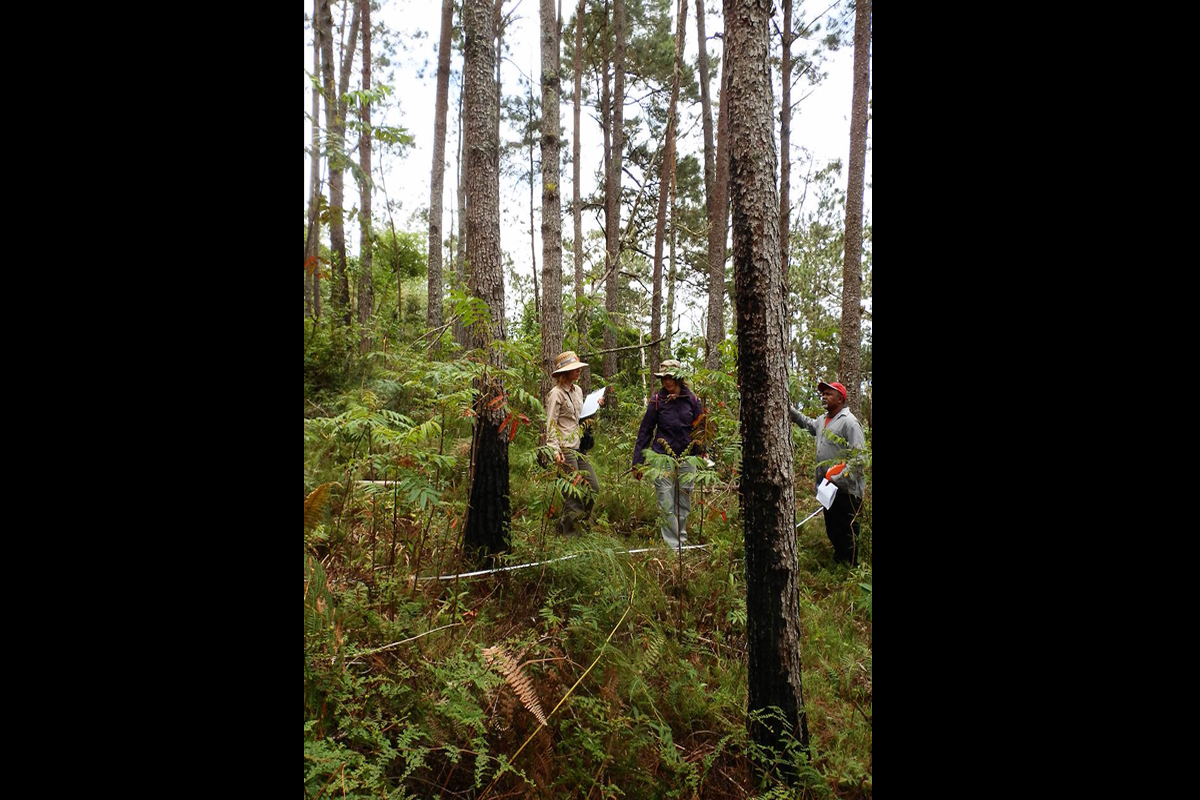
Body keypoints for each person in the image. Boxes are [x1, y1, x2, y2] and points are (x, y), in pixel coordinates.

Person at [789, 380, 866, 566]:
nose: (824, 396)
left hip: (847, 490)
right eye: (823, 393)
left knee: (848, 529)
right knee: (832, 527)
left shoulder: (850, 422)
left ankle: (852, 568)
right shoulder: (823, 420)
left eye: (829, 393)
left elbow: (859, 458)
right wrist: (789, 409)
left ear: (840, 398)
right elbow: (807, 424)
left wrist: (838, 478)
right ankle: (840, 560)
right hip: (827, 488)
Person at [632, 360, 707, 550]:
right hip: (661, 458)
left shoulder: (693, 400)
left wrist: (703, 452)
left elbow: (700, 430)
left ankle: (681, 542)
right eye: (664, 378)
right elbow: (645, 431)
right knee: (666, 502)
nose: (667, 382)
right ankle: (674, 548)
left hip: (687, 458)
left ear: (679, 378)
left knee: (683, 502)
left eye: (671, 377)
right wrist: (638, 462)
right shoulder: (657, 400)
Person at [544, 350, 603, 535]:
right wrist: (554, 449)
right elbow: (551, 423)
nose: (578, 371)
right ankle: (569, 535)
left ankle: (580, 524)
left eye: (579, 368)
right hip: (564, 449)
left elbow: (578, 416)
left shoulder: (577, 391)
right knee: (573, 491)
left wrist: (595, 406)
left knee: (592, 486)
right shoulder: (556, 394)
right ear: (565, 372)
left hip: (577, 447)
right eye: (574, 369)